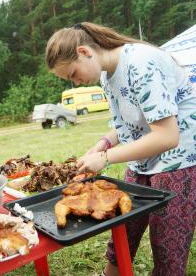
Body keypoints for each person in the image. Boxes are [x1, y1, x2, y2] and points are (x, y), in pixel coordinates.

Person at [45, 22, 196, 276]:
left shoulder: (140, 62)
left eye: (72, 74)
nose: (76, 83)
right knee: (123, 227)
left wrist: (106, 158)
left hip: (179, 159)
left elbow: (168, 136)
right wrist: (102, 145)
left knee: (167, 243)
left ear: (84, 52)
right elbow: (133, 120)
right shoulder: (107, 76)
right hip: (142, 157)